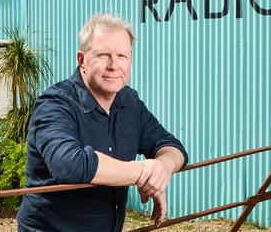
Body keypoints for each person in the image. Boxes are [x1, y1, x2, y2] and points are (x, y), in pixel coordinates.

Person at [17, 14, 188, 232]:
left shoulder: (129, 102)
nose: (113, 65)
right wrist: (143, 172)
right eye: (103, 55)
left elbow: (172, 146)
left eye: (122, 56)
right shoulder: (55, 104)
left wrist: (162, 169)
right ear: (82, 60)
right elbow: (69, 165)